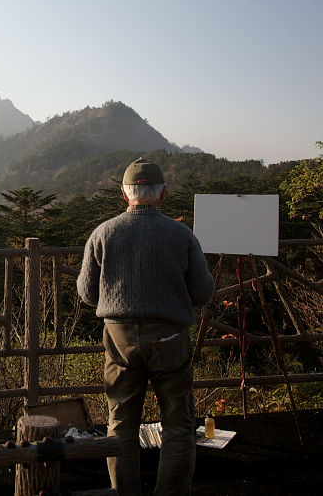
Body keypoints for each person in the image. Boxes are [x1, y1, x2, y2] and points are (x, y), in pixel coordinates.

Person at [77, 158, 214, 496]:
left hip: (119, 337)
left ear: (125, 194)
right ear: (163, 194)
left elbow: (85, 292)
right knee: (178, 424)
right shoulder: (181, 235)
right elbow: (203, 293)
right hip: (169, 336)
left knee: (120, 423)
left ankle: (124, 492)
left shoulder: (103, 233)